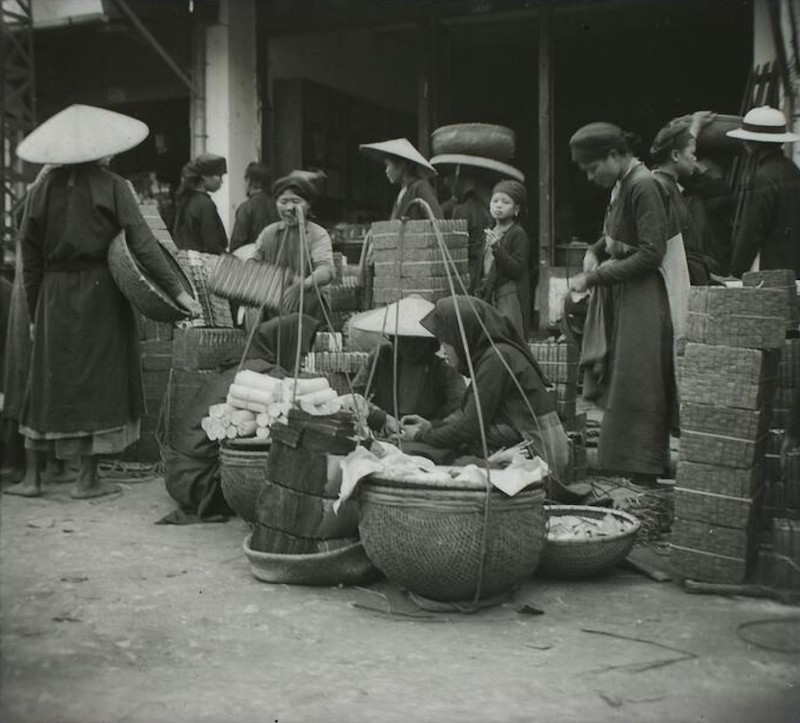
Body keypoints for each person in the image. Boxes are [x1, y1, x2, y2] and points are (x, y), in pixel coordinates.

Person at [7, 104, 202, 500]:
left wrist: (33, 308)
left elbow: (27, 253)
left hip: (52, 294)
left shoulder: (40, 190)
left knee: (46, 383)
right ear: (96, 149)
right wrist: (180, 292)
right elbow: (142, 244)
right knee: (99, 381)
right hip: (99, 292)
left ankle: (33, 479)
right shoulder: (113, 185)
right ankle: (87, 479)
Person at [567, 122, 680, 486]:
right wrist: (595, 250)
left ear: (615, 155)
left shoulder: (643, 184)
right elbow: (615, 234)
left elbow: (651, 252)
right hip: (626, 294)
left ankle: (645, 475)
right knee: (625, 381)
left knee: (639, 382)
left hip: (644, 296)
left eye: (592, 168)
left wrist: (595, 277)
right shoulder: (622, 184)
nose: (589, 177)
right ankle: (636, 474)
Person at [160, 314, 319, 524]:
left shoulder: (240, 365)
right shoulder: (266, 374)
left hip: (176, 474)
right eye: (302, 353)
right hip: (200, 483)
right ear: (288, 344)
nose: (300, 360)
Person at [400, 296, 569, 480]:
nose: (443, 350)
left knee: (456, 467)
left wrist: (421, 435)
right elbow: (469, 415)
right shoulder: (492, 357)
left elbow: (469, 425)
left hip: (539, 460)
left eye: (445, 341)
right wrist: (431, 426)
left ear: (460, 335)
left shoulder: (496, 359)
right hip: (526, 449)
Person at [349, 296, 466, 437]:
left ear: (430, 343)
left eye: (418, 342)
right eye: (404, 341)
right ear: (394, 339)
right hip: (384, 433)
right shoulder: (382, 357)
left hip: (424, 437)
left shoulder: (442, 368)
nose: (411, 348)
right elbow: (354, 397)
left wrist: (431, 426)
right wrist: (381, 417)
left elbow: (461, 408)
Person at [430, 126, 526, 294]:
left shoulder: (467, 210)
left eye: (504, 202)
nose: (447, 183)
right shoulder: (481, 207)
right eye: (497, 201)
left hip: (476, 276)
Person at [250, 170, 335, 322]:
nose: (289, 208)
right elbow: (253, 263)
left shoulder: (317, 234)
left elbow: (326, 269)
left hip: (310, 310)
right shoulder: (269, 233)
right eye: (283, 202)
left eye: (296, 202)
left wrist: (303, 285)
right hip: (273, 307)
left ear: (308, 205)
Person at [726, 106, 800, 278]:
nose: (744, 144)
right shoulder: (792, 170)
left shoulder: (764, 176)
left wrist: (736, 273)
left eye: (748, 140)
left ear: (757, 143)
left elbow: (751, 232)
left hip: (775, 267)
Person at [650, 118, 712, 285]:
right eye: (692, 153)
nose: (694, 159)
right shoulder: (660, 187)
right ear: (676, 155)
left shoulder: (668, 184)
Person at [475, 179, 532, 337]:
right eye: (495, 201)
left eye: (505, 202)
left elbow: (516, 270)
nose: (498, 205)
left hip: (509, 296)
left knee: (509, 338)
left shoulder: (518, 234)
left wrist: (497, 248)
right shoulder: (490, 231)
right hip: (489, 293)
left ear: (516, 209)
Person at [359, 138, 443, 220]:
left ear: (401, 165)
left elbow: (437, 220)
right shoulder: (403, 192)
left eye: (388, 165)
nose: (386, 171)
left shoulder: (420, 187)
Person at [172, 153, 229, 254]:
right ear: (205, 176)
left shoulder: (186, 200)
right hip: (203, 264)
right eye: (219, 176)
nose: (221, 181)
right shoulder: (205, 205)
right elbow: (212, 246)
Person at [229, 162, 279, 253]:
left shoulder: (246, 207)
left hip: (252, 262)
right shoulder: (278, 206)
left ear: (248, 181)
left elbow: (236, 246)